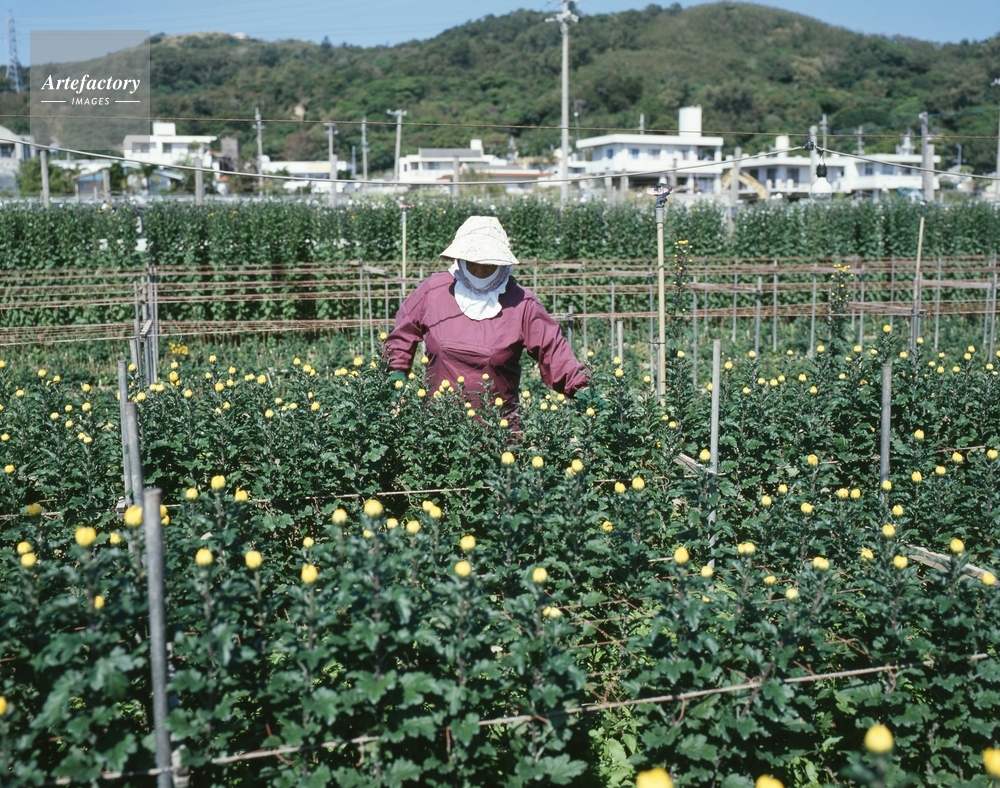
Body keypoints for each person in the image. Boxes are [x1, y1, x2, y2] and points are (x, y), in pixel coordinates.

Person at [384, 215, 589, 411]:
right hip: (438, 424)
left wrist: (586, 394)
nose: (480, 271)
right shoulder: (434, 291)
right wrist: (395, 383)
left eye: (488, 264)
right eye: (473, 262)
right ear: (460, 259)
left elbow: (554, 352)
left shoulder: (522, 303)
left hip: (499, 427)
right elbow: (401, 336)